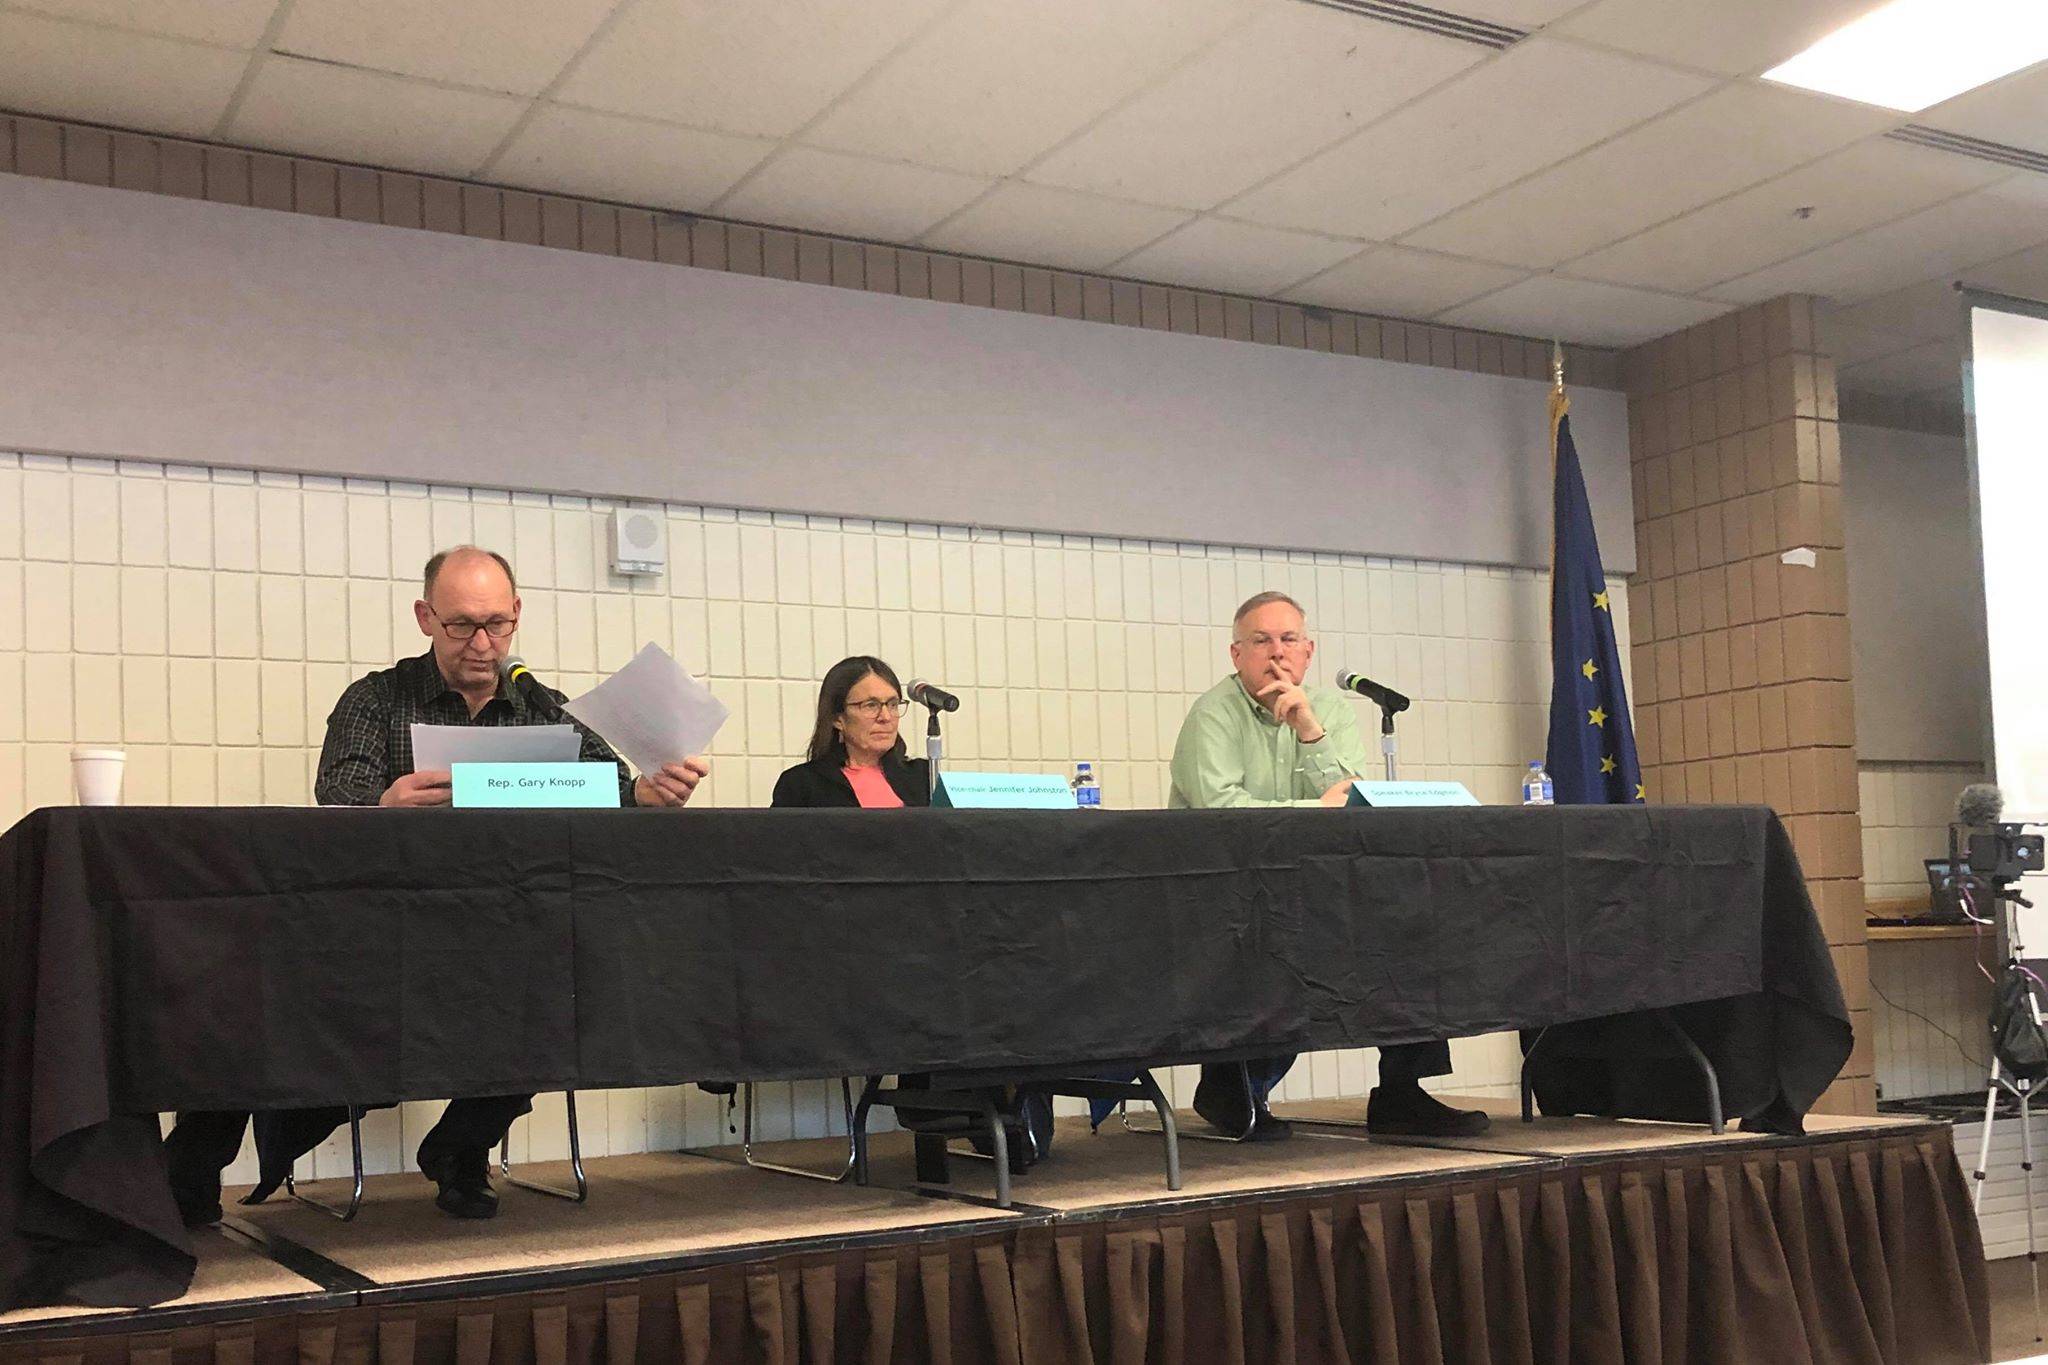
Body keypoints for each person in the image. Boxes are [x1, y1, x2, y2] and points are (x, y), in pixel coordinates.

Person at [164, 546, 710, 1223]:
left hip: (511, 937)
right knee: (248, 972)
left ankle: (461, 1145)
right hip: (385, 935)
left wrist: (651, 801)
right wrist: (382, 805)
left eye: (498, 625)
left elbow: (615, 800)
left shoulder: (550, 709)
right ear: (425, 617)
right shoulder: (376, 699)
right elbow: (337, 796)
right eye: (461, 626)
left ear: (517, 617)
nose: (483, 644)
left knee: (583, 972)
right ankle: (190, 1163)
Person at [1169, 591, 1488, 1141]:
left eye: (1288, 639)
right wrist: (1312, 811)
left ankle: (1401, 1093)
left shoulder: (1331, 710)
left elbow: (1349, 804)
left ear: (1309, 651)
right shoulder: (1212, 714)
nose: (1276, 653)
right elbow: (1221, 814)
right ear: (1236, 654)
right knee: (1288, 943)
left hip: (1314, 883)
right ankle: (1230, 1086)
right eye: (1261, 641)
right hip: (1228, 889)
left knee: (1407, 928)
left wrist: (1309, 731)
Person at [770, 656, 1053, 1174]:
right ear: (837, 717)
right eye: (869, 705)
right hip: (856, 940)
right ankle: (959, 1108)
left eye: (892, 704)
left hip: (936, 933)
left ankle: (1005, 1106)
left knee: (1013, 957)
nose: (885, 716)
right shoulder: (804, 785)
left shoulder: (925, 777)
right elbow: (795, 880)